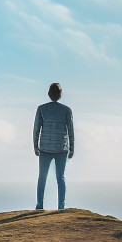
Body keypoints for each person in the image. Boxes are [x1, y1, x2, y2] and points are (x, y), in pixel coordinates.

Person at [33, 82, 74, 210]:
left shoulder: (41, 109)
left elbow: (36, 129)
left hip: (45, 148)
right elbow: (71, 131)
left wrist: (35, 146)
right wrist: (72, 148)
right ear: (60, 94)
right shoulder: (66, 110)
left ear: (49, 94)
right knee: (60, 178)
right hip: (61, 148)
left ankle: (39, 206)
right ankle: (61, 206)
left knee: (42, 178)